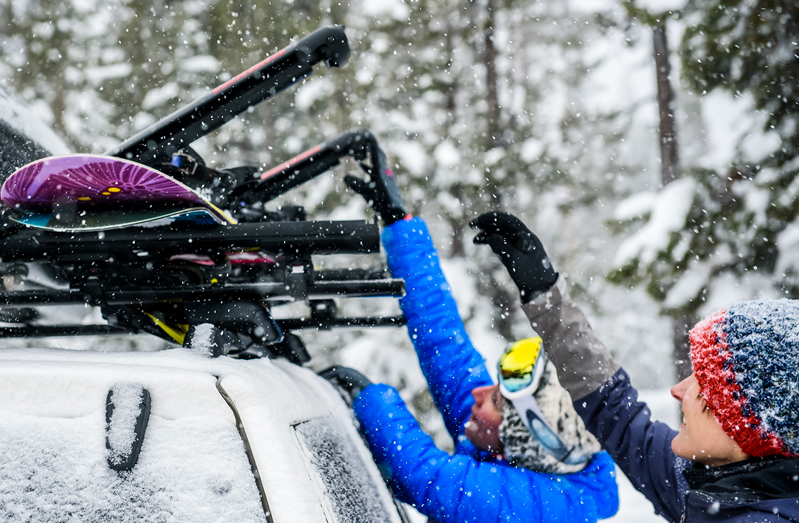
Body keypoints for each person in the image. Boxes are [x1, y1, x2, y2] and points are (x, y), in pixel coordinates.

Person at [321, 143, 619, 523]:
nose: (478, 394)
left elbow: (426, 477)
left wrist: (369, 395)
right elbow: (444, 344)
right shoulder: (512, 445)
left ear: (523, 442)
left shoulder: (541, 508)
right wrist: (399, 222)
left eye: (495, 399)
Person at [470, 211, 799, 522]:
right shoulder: (712, 482)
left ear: (748, 431)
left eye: (704, 387)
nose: (678, 390)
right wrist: (545, 296)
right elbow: (615, 410)